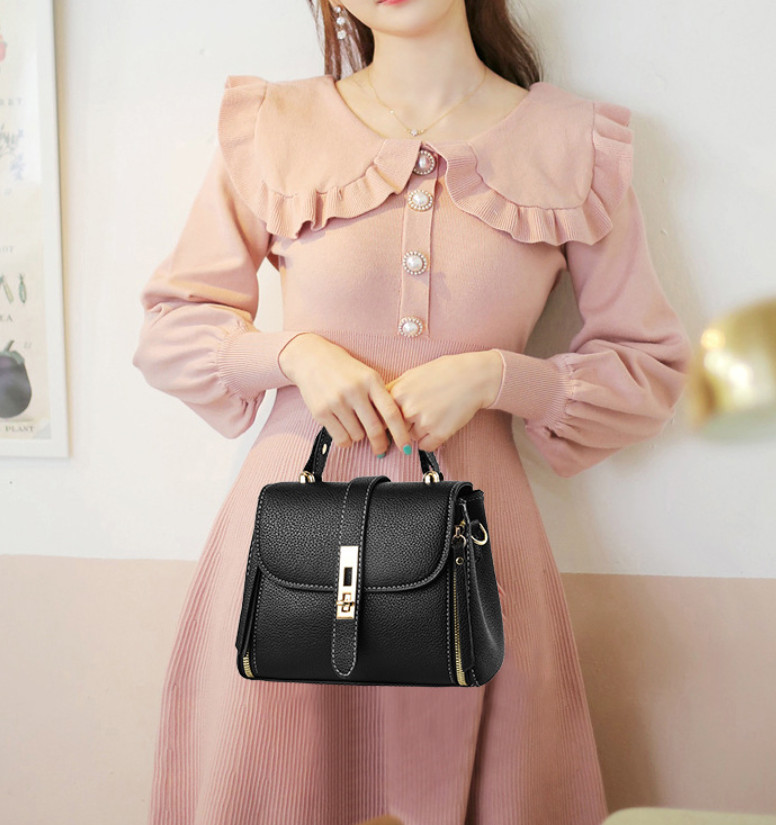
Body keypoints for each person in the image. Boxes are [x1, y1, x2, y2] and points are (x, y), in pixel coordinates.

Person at [131, 1, 693, 823]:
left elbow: (649, 367)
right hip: (289, 550)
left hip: (476, 550)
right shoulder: (274, 126)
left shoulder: (573, 144)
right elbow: (170, 326)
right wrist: (294, 355)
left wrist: (499, 378)